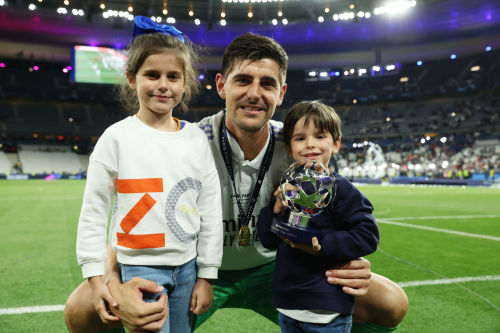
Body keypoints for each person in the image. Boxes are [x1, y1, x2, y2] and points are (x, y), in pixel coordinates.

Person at [65, 32, 408, 333]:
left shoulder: (298, 149)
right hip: (197, 269)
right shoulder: (187, 143)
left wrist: (346, 256)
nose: (254, 93)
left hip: (275, 269)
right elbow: (135, 209)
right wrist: (111, 276)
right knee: (82, 313)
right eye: (243, 80)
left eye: (267, 84)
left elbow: (339, 214)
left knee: (391, 303)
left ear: (282, 92)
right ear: (221, 85)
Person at [73, 16, 222, 333]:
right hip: (139, 267)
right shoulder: (115, 138)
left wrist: (207, 276)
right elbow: (94, 210)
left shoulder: (196, 138)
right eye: (152, 75)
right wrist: (95, 275)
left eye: (173, 76)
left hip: (188, 267)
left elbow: (210, 209)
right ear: (131, 77)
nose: (163, 85)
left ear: (185, 82)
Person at [257, 100, 380, 332]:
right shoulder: (285, 188)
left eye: (320, 136)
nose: (310, 144)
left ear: (336, 144)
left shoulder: (341, 189)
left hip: (327, 309)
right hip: (288, 306)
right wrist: (274, 212)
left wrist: (322, 245)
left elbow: (367, 235)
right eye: (300, 138)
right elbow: (268, 240)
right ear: (290, 148)